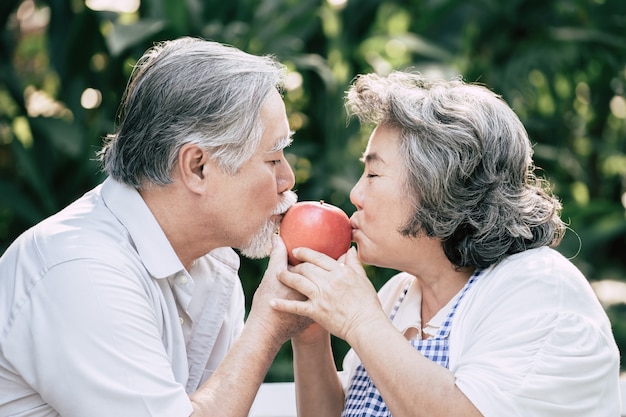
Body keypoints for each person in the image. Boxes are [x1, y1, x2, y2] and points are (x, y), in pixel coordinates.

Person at [270, 71, 622, 416]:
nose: (355, 194)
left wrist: (361, 322)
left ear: (440, 187)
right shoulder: (399, 295)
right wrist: (311, 334)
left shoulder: (538, 290)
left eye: (374, 174)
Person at [0, 37, 309, 417]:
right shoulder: (81, 270)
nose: (288, 179)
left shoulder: (213, 264)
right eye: (274, 158)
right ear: (197, 166)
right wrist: (268, 326)